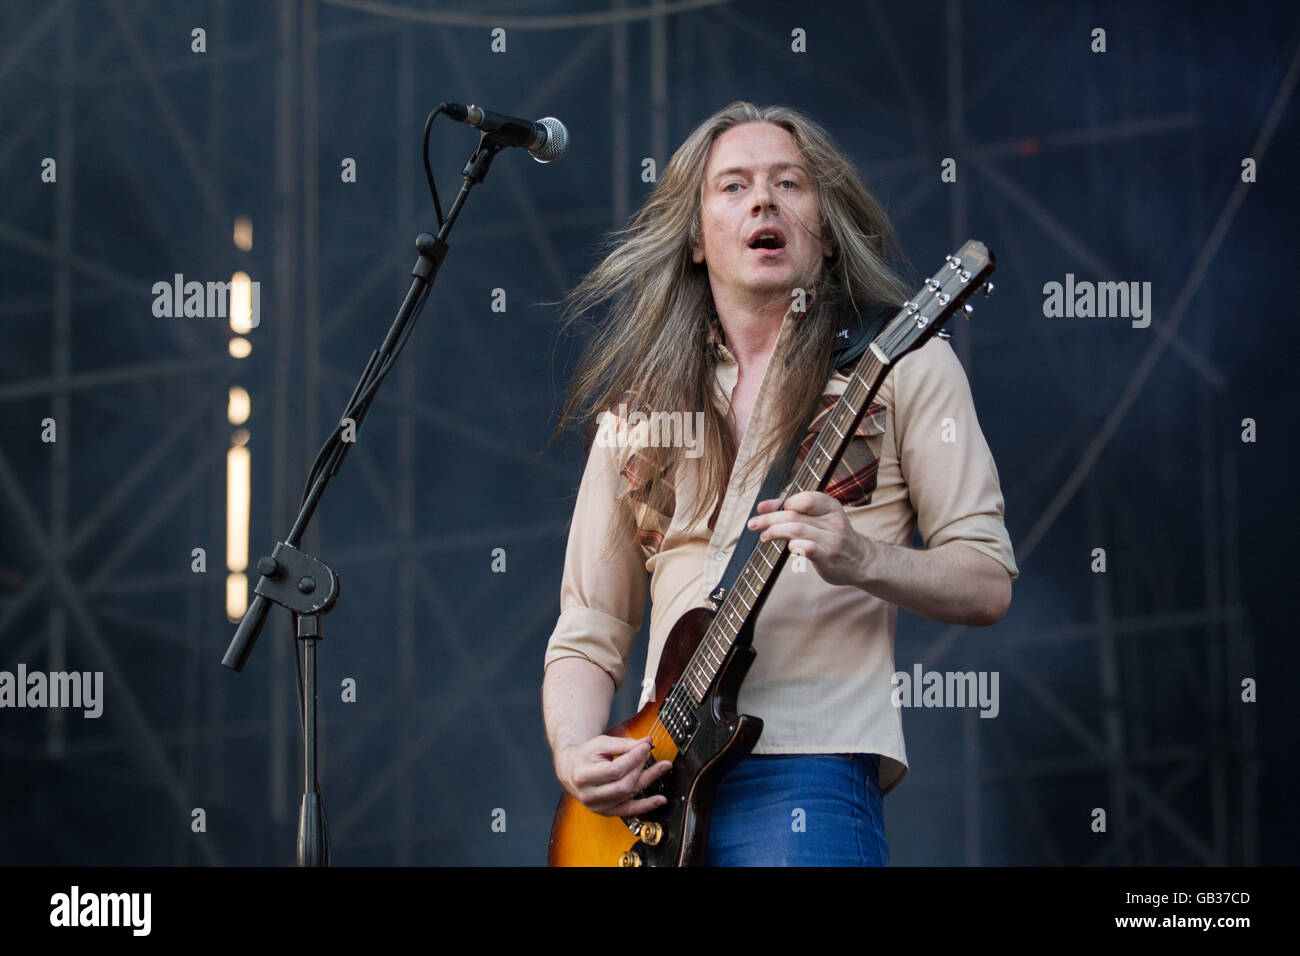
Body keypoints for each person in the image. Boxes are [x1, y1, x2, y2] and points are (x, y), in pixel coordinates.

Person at [541, 101, 1018, 866]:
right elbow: (590, 627)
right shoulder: (638, 411)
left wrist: (862, 557)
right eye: (732, 186)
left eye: (788, 183)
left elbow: (987, 580)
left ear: (824, 229)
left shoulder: (903, 368)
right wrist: (574, 750)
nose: (763, 200)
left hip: (809, 769)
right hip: (651, 792)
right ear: (696, 238)